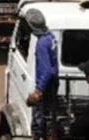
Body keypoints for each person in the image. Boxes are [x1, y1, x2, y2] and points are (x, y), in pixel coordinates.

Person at [25, 8, 59, 140]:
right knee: (50, 116)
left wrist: (38, 91)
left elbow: (46, 70)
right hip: (53, 82)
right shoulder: (51, 37)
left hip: (46, 86)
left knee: (39, 120)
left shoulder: (42, 44)